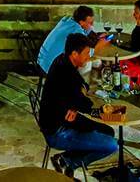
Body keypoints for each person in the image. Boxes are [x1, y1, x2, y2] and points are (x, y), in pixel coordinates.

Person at [39, 33, 118, 177]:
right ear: (75, 53)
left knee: (108, 132)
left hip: (65, 117)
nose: (89, 57)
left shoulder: (63, 60)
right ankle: (68, 161)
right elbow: (86, 104)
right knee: (111, 145)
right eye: (87, 53)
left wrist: (74, 105)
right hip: (57, 130)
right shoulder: (65, 73)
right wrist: (79, 104)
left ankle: (67, 160)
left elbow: (83, 85)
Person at [37, 5, 111, 74]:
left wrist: (96, 37)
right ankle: (81, 86)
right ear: (81, 22)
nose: (92, 25)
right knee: (86, 63)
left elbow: (81, 33)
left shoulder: (66, 20)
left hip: (42, 61)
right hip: (51, 68)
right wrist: (100, 44)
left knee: (94, 62)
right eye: (90, 23)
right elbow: (88, 53)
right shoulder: (77, 31)